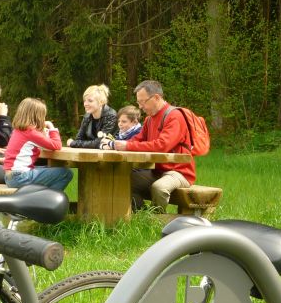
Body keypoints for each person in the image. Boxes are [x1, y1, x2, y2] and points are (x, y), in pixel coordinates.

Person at [112, 80, 196, 210]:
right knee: (124, 180)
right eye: (138, 103)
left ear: (156, 97)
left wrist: (127, 146)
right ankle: (141, 215)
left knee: (159, 188)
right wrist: (115, 145)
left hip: (179, 172)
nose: (140, 107)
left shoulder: (175, 116)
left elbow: (162, 145)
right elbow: (138, 139)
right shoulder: (149, 119)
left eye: (142, 102)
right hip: (157, 170)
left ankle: (156, 220)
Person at [3, 98, 73, 191]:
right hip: (20, 177)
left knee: (50, 169)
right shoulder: (30, 132)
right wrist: (51, 127)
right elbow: (56, 145)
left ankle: (41, 199)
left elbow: (44, 143)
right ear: (38, 117)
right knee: (66, 173)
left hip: (10, 176)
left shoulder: (19, 130)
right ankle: (49, 201)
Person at [66, 84, 118, 148]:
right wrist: (76, 143)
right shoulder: (87, 116)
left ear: (101, 102)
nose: (85, 104)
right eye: (84, 101)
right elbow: (78, 139)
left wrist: (73, 143)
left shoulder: (111, 116)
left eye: (90, 101)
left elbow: (100, 142)